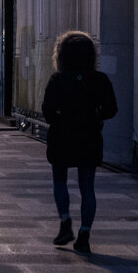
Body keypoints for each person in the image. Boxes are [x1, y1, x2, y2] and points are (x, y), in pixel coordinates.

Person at [42, 30, 117, 255]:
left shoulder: (58, 79)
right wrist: (94, 117)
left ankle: (65, 222)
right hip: (89, 137)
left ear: (62, 55)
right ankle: (84, 234)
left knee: (60, 180)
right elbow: (111, 109)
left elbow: (47, 110)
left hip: (62, 137)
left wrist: (60, 120)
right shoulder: (100, 80)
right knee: (87, 186)